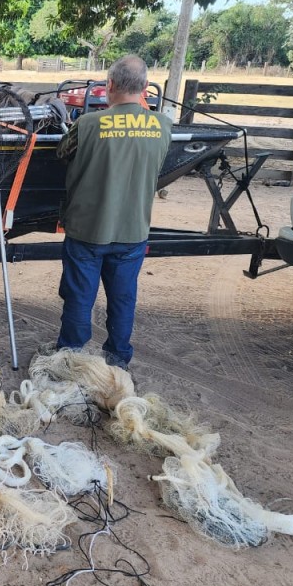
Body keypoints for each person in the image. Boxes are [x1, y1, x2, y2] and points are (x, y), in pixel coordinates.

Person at [54, 54, 171, 370]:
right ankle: (118, 360)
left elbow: (62, 152)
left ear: (110, 85)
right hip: (133, 231)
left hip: (88, 230)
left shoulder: (88, 124)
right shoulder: (162, 125)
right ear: (145, 87)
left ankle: (70, 358)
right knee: (123, 299)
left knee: (79, 298)